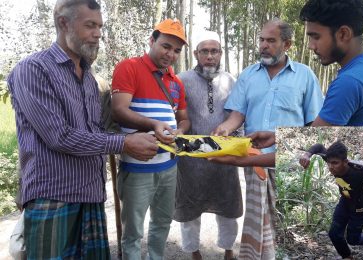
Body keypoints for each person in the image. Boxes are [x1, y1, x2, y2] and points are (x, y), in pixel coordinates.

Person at [6, 0, 159, 259]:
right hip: (53, 196)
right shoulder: (33, 69)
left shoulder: (89, 80)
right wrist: (124, 144)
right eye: (90, 25)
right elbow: (58, 136)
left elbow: (96, 132)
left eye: (99, 26)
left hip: (90, 194)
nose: (98, 33)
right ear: (63, 23)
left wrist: (140, 137)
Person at [212, 19, 323, 259]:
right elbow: (238, 113)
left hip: (289, 163)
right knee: (256, 219)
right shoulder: (249, 75)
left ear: (288, 44)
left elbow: (312, 123)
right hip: (254, 159)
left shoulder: (305, 76)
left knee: (282, 223)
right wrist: (225, 127)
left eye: (271, 41)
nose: (263, 45)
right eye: (261, 40)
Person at [110, 18, 190, 260]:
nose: (171, 54)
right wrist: (153, 124)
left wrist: (181, 132)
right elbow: (119, 110)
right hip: (137, 167)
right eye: (166, 46)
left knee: (162, 222)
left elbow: (184, 119)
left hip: (169, 166)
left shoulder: (176, 82)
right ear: (152, 40)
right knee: (133, 229)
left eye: (177, 50)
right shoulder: (129, 67)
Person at [174, 31, 243, 260]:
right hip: (191, 157)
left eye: (214, 51)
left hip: (224, 154)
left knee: (228, 206)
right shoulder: (181, 80)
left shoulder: (231, 80)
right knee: (189, 208)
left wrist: (239, 144)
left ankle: (228, 250)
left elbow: (238, 114)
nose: (210, 56)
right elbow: (176, 117)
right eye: (205, 51)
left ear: (221, 53)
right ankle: (194, 252)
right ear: (196, 54)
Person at [299, 141, 363, 259]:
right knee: (334, 234)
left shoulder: (359, 171)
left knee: (353, 239)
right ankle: (347, 256)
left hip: (360, 207)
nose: (331, 167)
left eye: (335, 163)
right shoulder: (332, 159)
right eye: (329, 163)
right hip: (345, 202)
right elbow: (319, 146)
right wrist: (307, 155)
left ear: (345, 162)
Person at [299, 0, 363, 126]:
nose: (310, 46)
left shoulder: (349, 82)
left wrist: (279, 137)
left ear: (343, 34)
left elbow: (315, 142)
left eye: (316, 37)